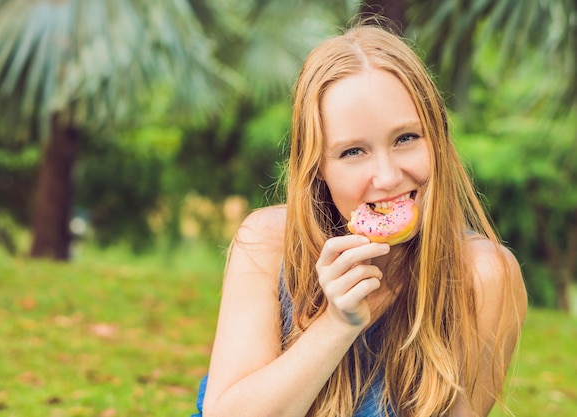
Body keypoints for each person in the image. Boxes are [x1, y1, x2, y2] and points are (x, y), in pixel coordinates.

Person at [192, 22, 527, 417]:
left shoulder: (484, 276)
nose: (386, 177)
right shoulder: (266, 242)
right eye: (353, 152)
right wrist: (337, 324)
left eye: (406, 138)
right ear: (317, 167)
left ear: (436, 138)